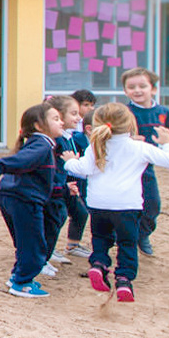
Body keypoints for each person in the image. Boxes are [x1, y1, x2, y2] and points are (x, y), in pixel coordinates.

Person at [64, 102, 169, 302]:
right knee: (127, 242)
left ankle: (98, 264)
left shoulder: (95, 146)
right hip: (127, 205)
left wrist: (69, 161)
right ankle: (124, 280)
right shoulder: (139, 147)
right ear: (130, 124)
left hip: (99, 203)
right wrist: (167, 142)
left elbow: (82, 169)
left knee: (100, 238)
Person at [0, 102, 62, 298]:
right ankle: (22, 284)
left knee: (25, 242)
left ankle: (17, 277)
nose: (61, 122)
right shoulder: (42, 144)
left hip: (12, 197)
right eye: (55, 119)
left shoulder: (38, 144)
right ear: (38, 125)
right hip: (24, 201)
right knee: (34, 244)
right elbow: (23, 161)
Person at [121, 68, 169, 256]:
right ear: (125, 91)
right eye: (131, 87)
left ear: (154, 89)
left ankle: (142, 235)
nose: (137, 90)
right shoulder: (124, 112)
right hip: (128, 165)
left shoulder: (163, 113)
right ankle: (127, 238)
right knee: (126, 205)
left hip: (148, 166)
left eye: (143, 86)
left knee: (152, 204)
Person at [43, 96, 82, 271]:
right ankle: (42, 256)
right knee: (53, 219)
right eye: (74, 113)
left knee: (61, 217)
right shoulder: (55, 140)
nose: (79, 118)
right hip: (52, 188)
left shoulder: (67, 136)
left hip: (61, 186)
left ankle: (45, 254)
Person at [63, 90, 97, 258]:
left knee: (81, 212)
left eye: (92, 105)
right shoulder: (74, 136)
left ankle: (73, 245)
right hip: (70, 179)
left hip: (80, 178)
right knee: (69, 212)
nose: (89, 108)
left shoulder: (76, 134)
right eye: (86, 105)